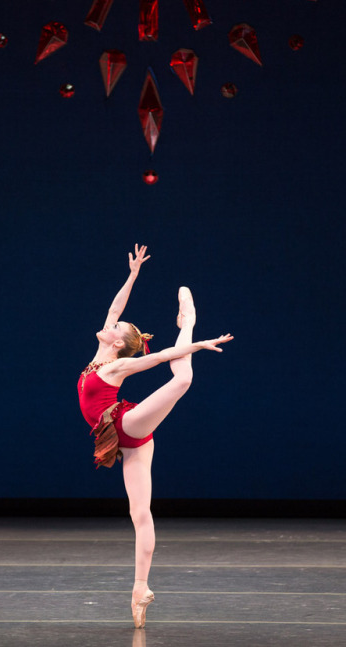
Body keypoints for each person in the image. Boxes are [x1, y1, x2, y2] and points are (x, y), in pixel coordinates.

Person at [77, 244, 233, 628]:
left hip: (125, 424)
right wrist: (132, 274)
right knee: (139, 513)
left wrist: (195, 342)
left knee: (184, 377)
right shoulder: (102, 349)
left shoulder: (118, 366)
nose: (111, 323)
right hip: (131, 442)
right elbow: (115, 309)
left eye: (115, 328)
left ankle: (189, 321)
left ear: (118, 343)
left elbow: (158, 357)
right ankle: (140, 588)